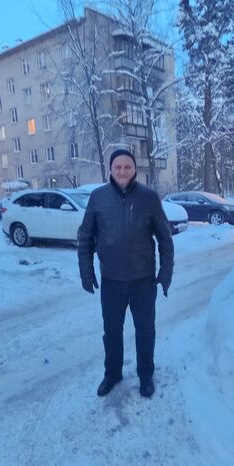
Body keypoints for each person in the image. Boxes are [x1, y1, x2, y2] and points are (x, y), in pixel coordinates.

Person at [78, 149, 174, 398]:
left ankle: (146, 375)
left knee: (145, 331)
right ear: (111, 169)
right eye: (117, 167)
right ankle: (112, 374)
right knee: (111, 332)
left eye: (127, 167)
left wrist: (166, 272)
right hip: (111, 281)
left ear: (134, 169)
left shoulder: (149, 198)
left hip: (143, 280)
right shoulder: (98, 198)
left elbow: (165, 238)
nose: (122, 171)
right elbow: (86, 236)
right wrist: (86, 271)